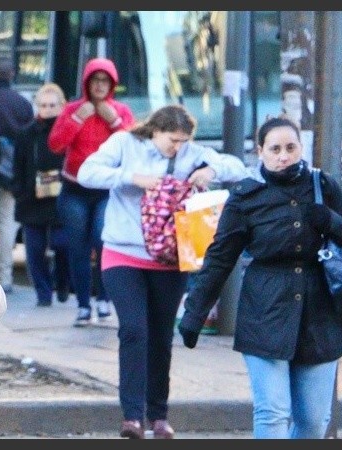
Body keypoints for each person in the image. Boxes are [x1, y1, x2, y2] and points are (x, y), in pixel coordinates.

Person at [178, 117, 342, 439]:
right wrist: (195, 312)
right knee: (273, 412)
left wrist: (327, 219)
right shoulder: (246, 196)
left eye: (290, 148)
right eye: (275, 149)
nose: (283, 156)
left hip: (320, 312)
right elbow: (221, 257)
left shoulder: (323, 185)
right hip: (265, 308)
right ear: (260, 152)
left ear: (300, 148)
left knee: (314, 420)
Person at [76, 104, 248, 439]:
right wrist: (131, 177)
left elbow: (237, 167)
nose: (177, 148)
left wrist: (210, 170)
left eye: (184, 141)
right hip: (123, 253)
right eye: (172, 140)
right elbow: (87, 172)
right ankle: (131, 417)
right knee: (134, 330)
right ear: (156, 131)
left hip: (170, 259)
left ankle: (158, 416)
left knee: (160, 337)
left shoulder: (192, 154)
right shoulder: (125, 144)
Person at [47, 57, 135, 326]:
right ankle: (83, 305)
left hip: (106, 190)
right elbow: (55, 145)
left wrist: (115, 122)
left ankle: (104, 299)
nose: (99, 85)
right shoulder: (74, 109)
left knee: (103, 240)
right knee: (78, 247)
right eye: (95, 80)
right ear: (87, 83)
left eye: (104, 81)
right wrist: (76, 119)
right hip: (75, 189)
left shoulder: (120, 110)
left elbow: (134, 147)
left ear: (112, 84)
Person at [11, 82, 72, 307]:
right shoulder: (27, 133)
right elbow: (19, 165)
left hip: (61, 198)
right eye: (43, 105)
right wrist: (20, 191)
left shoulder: (67, 132)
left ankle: (63, 282)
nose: (47, 110)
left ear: (62, 106)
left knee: (63, 245)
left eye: (52, 105)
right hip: (32, 198)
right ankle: (43, 294)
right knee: (35, 251)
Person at [0, 56, 34, 293]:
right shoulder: (22, 103)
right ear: (12, 73)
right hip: (11, 172)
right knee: (6, 224)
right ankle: (4, 278)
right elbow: (28, 142)